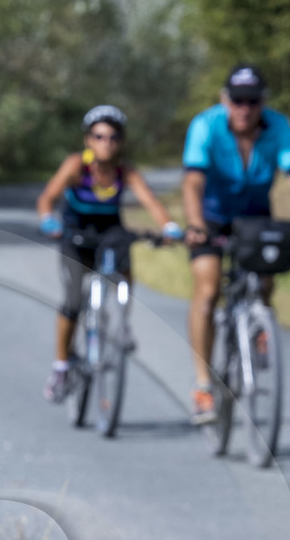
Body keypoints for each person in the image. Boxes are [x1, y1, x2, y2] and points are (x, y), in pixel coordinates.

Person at [181, 64, 290, 424]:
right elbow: (192, 181)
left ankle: (259, 323)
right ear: (225, 100)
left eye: (252, 101)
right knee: (206, 293)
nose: (244, 108)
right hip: (211, 217)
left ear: (262, 102)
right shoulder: (206, 125)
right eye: (237, 100)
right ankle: (203, 385)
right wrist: (195, 225)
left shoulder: (278, 127)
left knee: (266, 276)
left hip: (255, 215)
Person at [36, 107, 181, 401]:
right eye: (99, 136)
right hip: (76, 232)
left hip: (109, 229)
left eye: (113, 137)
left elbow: (149, 199)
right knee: (73, 300)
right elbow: (47, 197)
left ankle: (121, 321)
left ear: (121, 141)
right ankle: (62, 366)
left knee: (125, 262)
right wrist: (47, 218)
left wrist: (169, 225)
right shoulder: (77, 165)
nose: (107, 142)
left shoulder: (124, 170)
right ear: (89, 140)